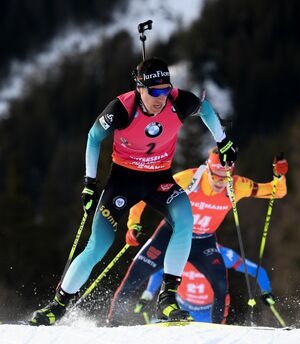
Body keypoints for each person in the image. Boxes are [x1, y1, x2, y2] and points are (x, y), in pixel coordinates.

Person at [30, 57, 238, 325]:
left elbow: (206, 109)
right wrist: (90, 183)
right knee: (99, 245)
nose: (161, 97)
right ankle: (56, 307)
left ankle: (167, 301)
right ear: (139, 88)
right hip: (123, 181)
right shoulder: (122, 108)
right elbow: (94, 138)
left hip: (159, 180)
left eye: (166, 89)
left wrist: (223, 141)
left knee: (186, 218)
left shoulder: (177, 101)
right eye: (154, 91)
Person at [107, 148, 287, 325]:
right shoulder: (188, 178)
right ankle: (112, 324)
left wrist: (279, 177)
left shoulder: (237, 186)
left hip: (203, 242)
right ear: (207, 168)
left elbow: (276, 191)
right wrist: (133, 223)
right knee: (134, 278)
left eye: (225, 177)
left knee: (221, 286)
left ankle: (217, 333)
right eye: (215, 175)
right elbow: (144, 192)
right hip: (172, 235)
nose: (219, 182)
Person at [134, 244, 278, 324]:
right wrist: (147, 294)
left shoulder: (222, 255)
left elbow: (257, 270)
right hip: (181, 307)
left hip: (210, 312)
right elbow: (160, 271)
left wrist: (266, 291)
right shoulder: (179, 252)